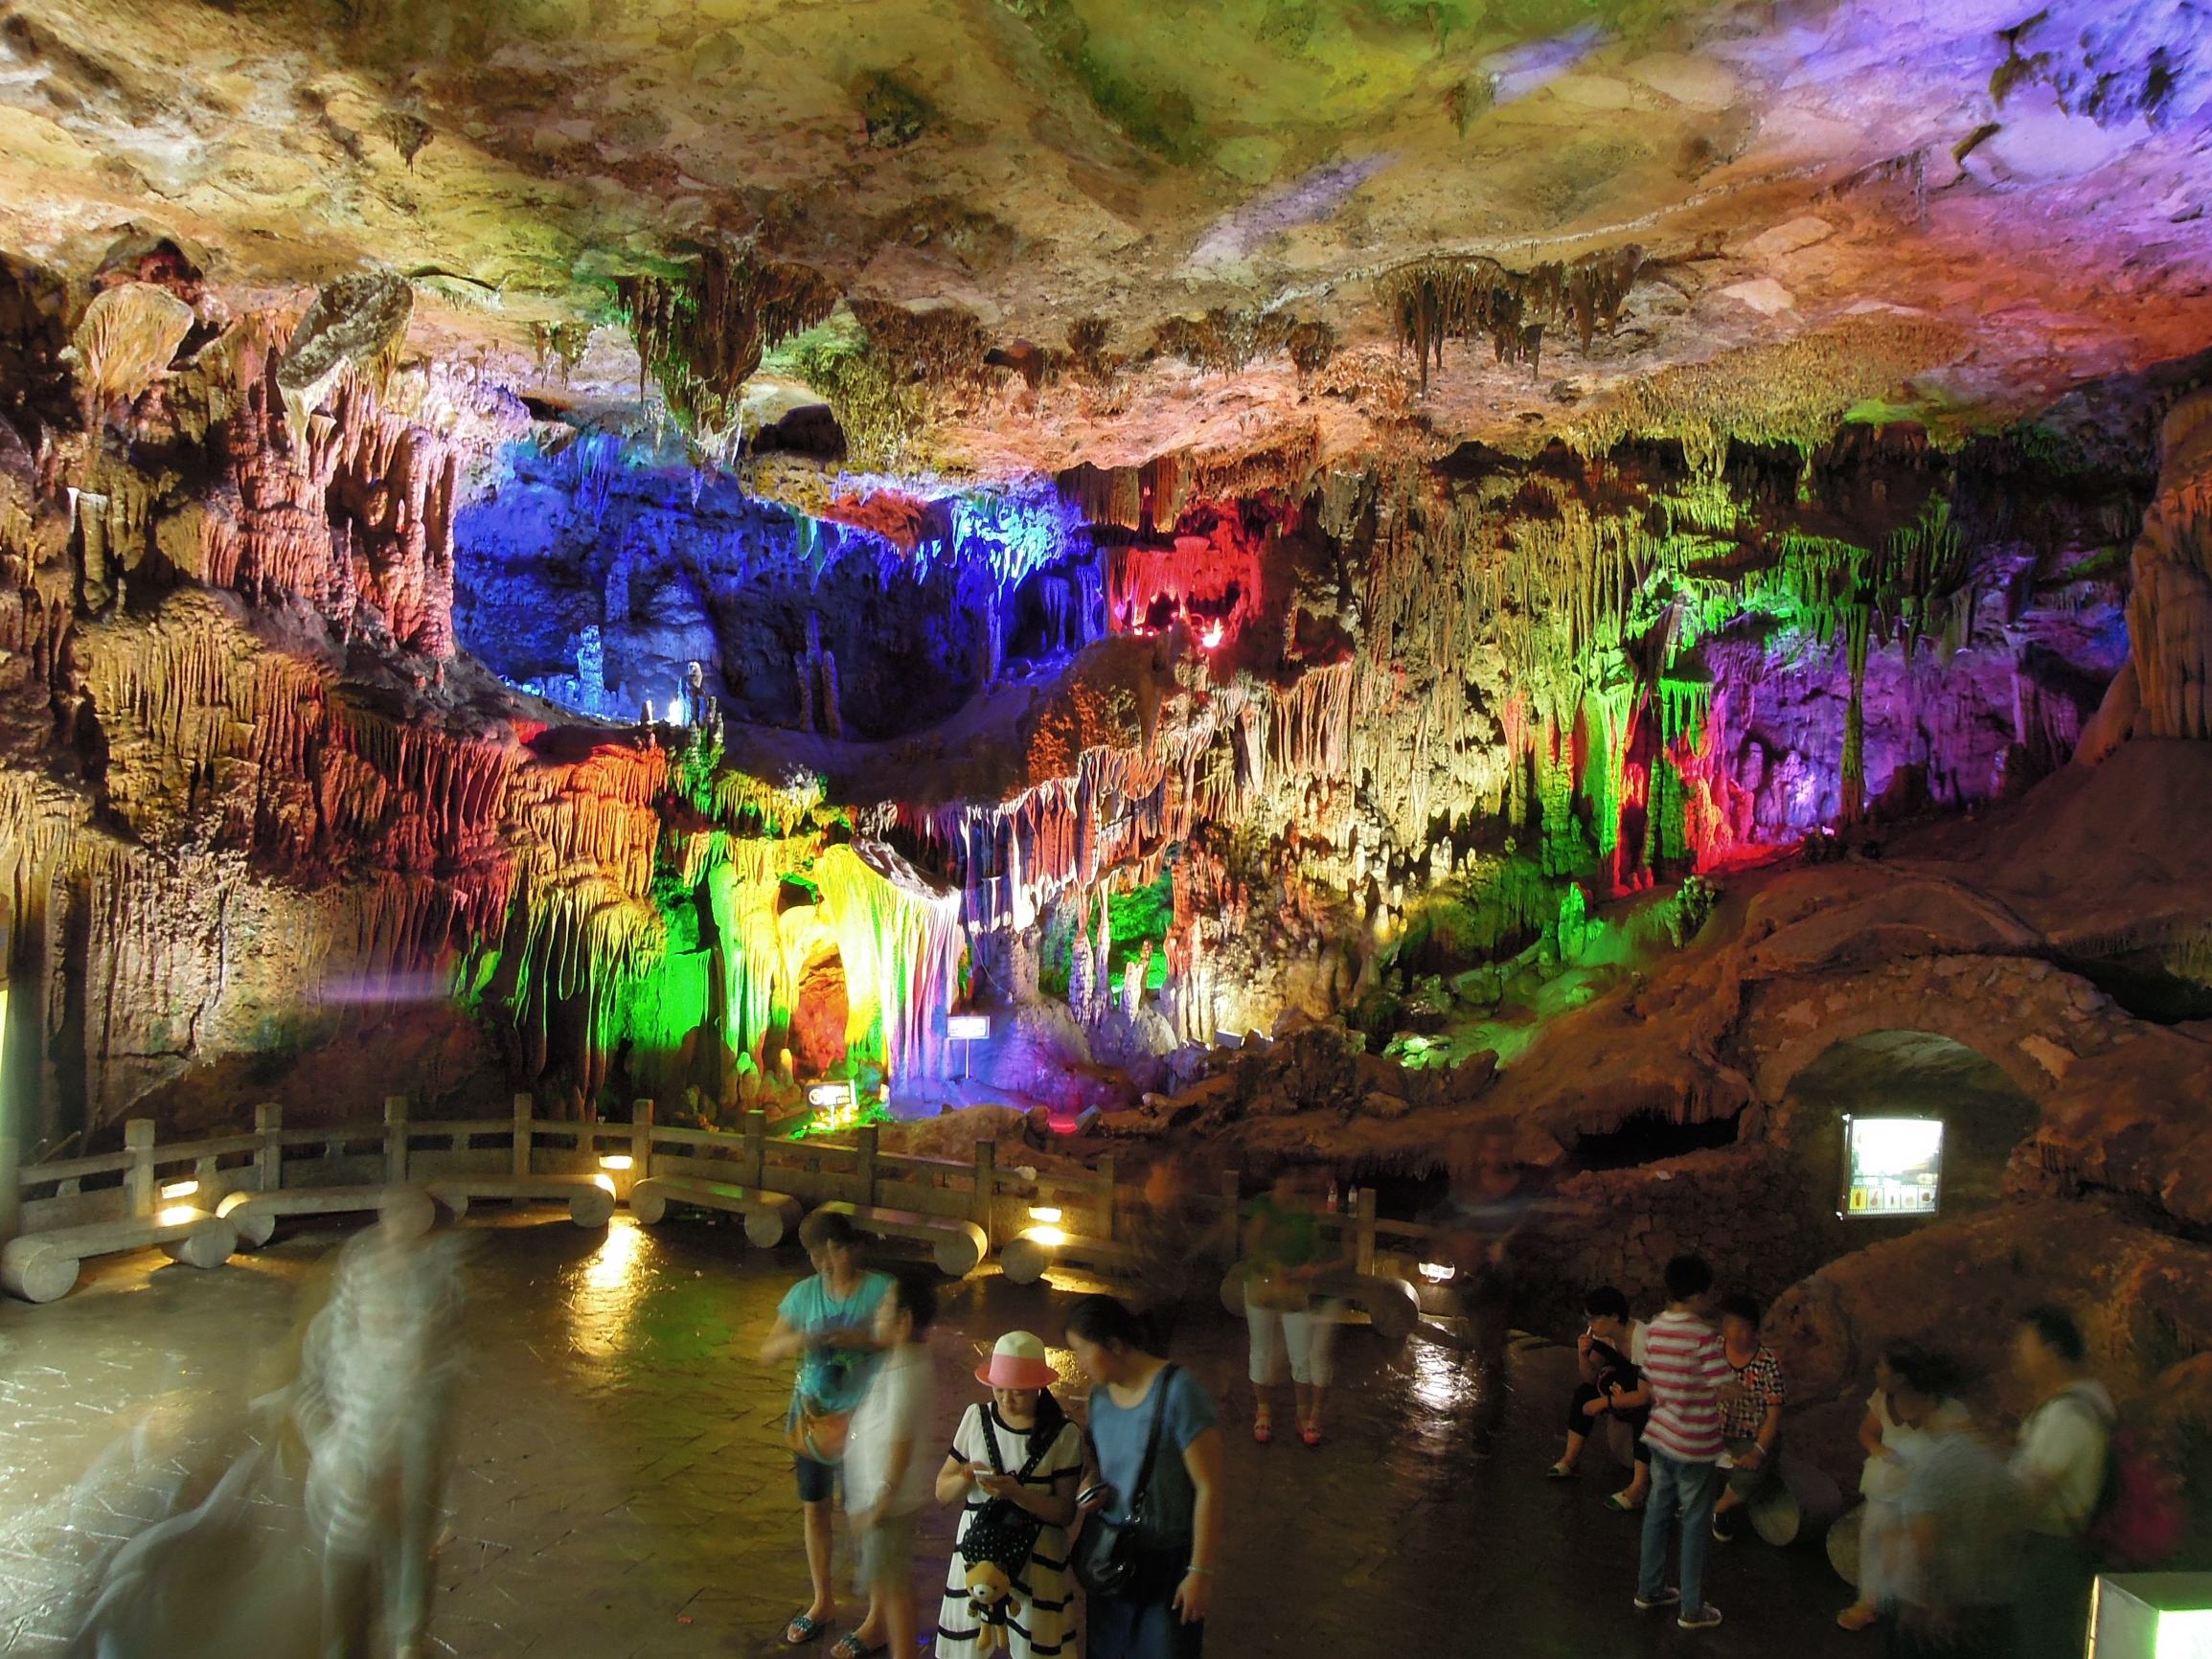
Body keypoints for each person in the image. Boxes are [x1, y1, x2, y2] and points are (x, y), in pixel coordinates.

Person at [761, 1209, 894, 1648]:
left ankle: (876, 1617)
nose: (826, 1264)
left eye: (834, 1252)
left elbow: (904, 1341)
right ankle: (823, 1601)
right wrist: (801, 1339)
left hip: (865, 1424)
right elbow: (768, 1351)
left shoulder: (880, 1291)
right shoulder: (803, 1296)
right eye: (818, 1256)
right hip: (814, 1423)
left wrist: (864, 1340)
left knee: (866, 1519)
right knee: (815, 1509)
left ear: (852, 1248)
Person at [1066, 1295, 1224, 1659]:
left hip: (1167, 1563)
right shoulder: (1099, 1397)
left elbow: (1209, 1487)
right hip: (1112, 1558)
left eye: (1082, 1351)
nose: (1078, 1363)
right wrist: (1091, 1484)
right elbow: (1101, 1462)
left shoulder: (1179, 1393)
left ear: (1115, 1346)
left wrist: (1200, 1570)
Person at [933, 1330, 1084, 1659]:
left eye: (1017, 1393)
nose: (1005, 1400)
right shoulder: (976, 1418)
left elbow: (1064, 1513)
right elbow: (942, 1491)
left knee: (1035, 1645)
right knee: (966, 1645)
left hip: (1037, 1557)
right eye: (998, 1389)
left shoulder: (1063, 1434)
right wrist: (966, 1474)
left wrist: (1017, 1494)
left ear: (1038, 1389)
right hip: (977, 1556)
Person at [1885, 1350, 2024, 1659]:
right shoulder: (2003, 1467)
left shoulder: (1934, 1463)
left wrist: (1937, 1605)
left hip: (1930, 1612)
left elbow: (1925, 1546)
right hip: (1988, 1606)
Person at [1422, 1128, 1540, 1456]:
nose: (1496, 1157)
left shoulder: (1517, 1189)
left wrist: (1506, 1244)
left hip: (1497, 1280)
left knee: (1490, 1354)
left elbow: (1527, 1223)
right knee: (1481, 1345)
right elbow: (1445, 1216)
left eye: (1501, 1150)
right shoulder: (1471, 1187)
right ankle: (1477, 1404)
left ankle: (1486, 1425)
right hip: (1472, 1276)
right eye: (1491, 1150)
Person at [840, 1273, 938, 1659]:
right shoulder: (902, 1360)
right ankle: (882, 1634)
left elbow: (900, 1443)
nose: (876, 1313)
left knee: (894, 1584)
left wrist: (880, 1500)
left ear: (905, 1321)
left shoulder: (906, 1373)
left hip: (888, 1502)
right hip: (879, 1497)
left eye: (884, 1307)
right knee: (887, 1578)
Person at [1839, 1341, 1969, 1633]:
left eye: (1881, 1367)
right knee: (1874, 1539)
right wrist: (1880, 1451)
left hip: (1924, 1495)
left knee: (1917, 1554)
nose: (1876, 1371)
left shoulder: (1949, 1412)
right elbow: (1868, 1432)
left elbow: (1962, 1455)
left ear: (1900, 1377)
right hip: (1885, 1487)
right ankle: (1869, 1603)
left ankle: (1917, 1614)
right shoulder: (1882, 1399)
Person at [2008, 1306, 2114, 1659]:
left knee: (2044, 1643)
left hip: (2051, 1552)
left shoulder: (2067, 1414)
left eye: (2025, 1344)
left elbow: (2034, 1491)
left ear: (2051, 1351)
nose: (2017, 1352)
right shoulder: (2089, 1399)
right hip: (2066, 1548)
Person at [1634, 1253, 1730, 1633]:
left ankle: (1649, 1588)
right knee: (1693, 1522)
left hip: (1661, 1436)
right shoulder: (1703, 1336)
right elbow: (1723, 1386)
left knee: (1657, 1513)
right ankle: (1691, 1608)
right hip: (1695, 1444)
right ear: (1697, 1295)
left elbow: (1652, 1380)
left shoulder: (1656, 1329)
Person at [1242, 1168, 1352, 1446]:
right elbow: (1253, 1244)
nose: (1291, 1183)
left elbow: (1313, 1245)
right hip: (1264, 1282)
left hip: (1295, 1286)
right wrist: (1273, 1269)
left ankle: (1302, 1412)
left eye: (1294, 1178)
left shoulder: (1303, 1209)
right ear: (1275, 1179)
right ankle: (1263, 1409)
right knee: (1262, 1349)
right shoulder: (1264, 1205)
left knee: (1300, 1353)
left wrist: (1308, 1267)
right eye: (1286, 1177)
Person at [1546, 1284, 1652, 1511]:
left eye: (1594, 1318)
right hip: (1623, 1390)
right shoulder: (1604, 1336)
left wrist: (1605, 1402)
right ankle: (1570, 1460)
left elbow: (1645, 1395)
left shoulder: (1642, 1339)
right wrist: (1582, 1354)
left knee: (1644, 1413)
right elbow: (1589, 1378)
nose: (1590, 1325)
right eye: (1588, 1319)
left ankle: (1639, 1486)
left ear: (1614, 1316)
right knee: (1583, 1393)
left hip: (1654, 1398)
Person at [1709, 1292, 1788, 1543]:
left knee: (1753, 1468)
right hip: (1716, 1430)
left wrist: (1758, 1450)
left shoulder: (1768, 1362)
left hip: (1750, 1435)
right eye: (1735, 1326)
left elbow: (1774, 1415)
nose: (1741, 1334)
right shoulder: (1714, 1349)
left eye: (1747, 1328)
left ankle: (1719, 1508)